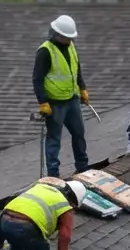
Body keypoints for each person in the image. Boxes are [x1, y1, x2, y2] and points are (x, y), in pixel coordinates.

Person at [33, 14, 91, 175]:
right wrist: (43, 102)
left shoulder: (71, 46)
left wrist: (82, 88)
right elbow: (37, 79)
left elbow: (76, 69)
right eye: (67, 37)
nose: (70, 40)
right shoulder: (45, 51)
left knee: (79, 133)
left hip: (72, 100)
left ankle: (82, 167)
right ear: (58, 34)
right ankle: (53, 174)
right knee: (54, 139)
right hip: (55, 103)